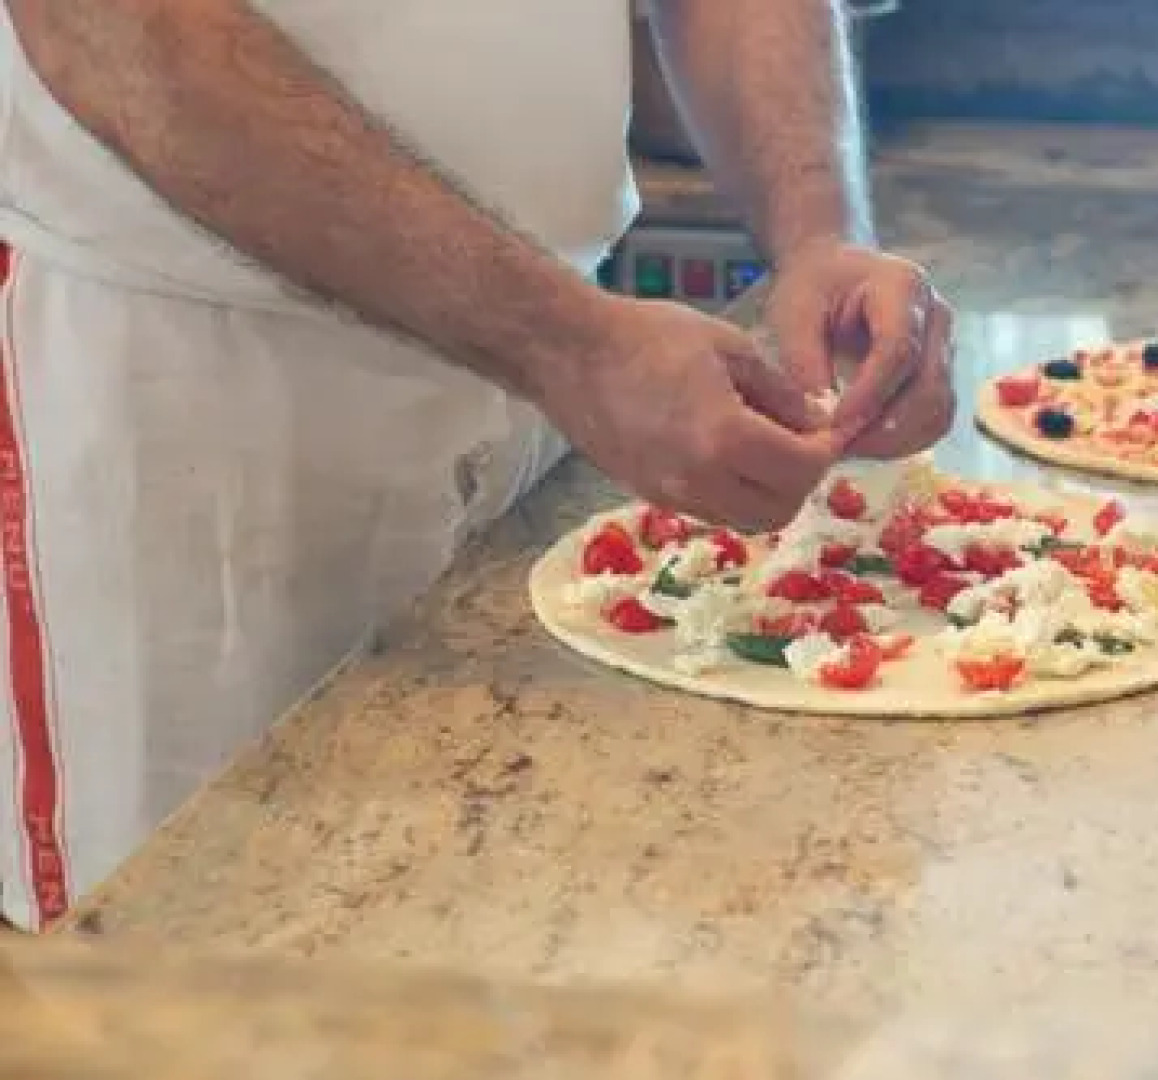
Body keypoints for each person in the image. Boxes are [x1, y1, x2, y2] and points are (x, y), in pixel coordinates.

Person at [0, 0, 955, 931]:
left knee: (503, 945)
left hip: (547, 351)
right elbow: (115, 32)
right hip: (192, 388)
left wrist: (821, 231)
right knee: (183, 968)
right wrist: (570, 348)